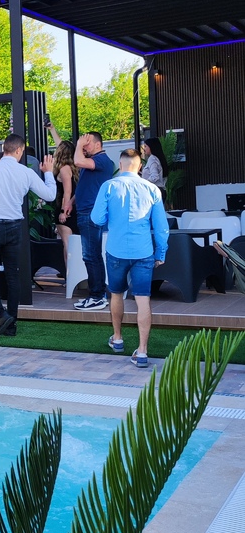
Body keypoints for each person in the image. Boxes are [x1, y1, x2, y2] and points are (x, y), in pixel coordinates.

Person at [0, 133, 56, 337]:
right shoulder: (25, 172)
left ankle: (0, 313)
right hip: (15, 227)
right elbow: (50, 195)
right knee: (12, 274)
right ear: (19, 150)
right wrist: (49, 173)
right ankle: (11, 324)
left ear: (3, 149)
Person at [91, 148, 169, 368]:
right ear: (140, 166)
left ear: (120, 164)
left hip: (116, 250)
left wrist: (111, 218)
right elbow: (161, 227)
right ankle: (142, 351)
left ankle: (117, 338)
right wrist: (161, 252)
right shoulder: (152, 189)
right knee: (143, 299)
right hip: (143, 252)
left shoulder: (109, 186)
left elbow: (97, 219)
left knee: (116, 293)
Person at [73, 132, 115, 310]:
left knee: (91, 255)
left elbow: (77, 161)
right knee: (91, 255)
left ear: (98, 145)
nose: (84, 146)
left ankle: (97, 296)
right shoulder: (93, 161)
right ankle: (97, 295)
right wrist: (70, 202)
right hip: (86, 212)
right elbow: (85, 184)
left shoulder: (102, 160)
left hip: (90, 213)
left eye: (87, 143)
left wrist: (78, 145)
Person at [52, 139, 79, 269]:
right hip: (74, 208)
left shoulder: (64, 169)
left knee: (67, 244)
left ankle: (70, 275)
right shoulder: (74, 168)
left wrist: (64, 211)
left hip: (65, 209)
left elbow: (67, 192)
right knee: (73, 244)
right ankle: (75, 275)